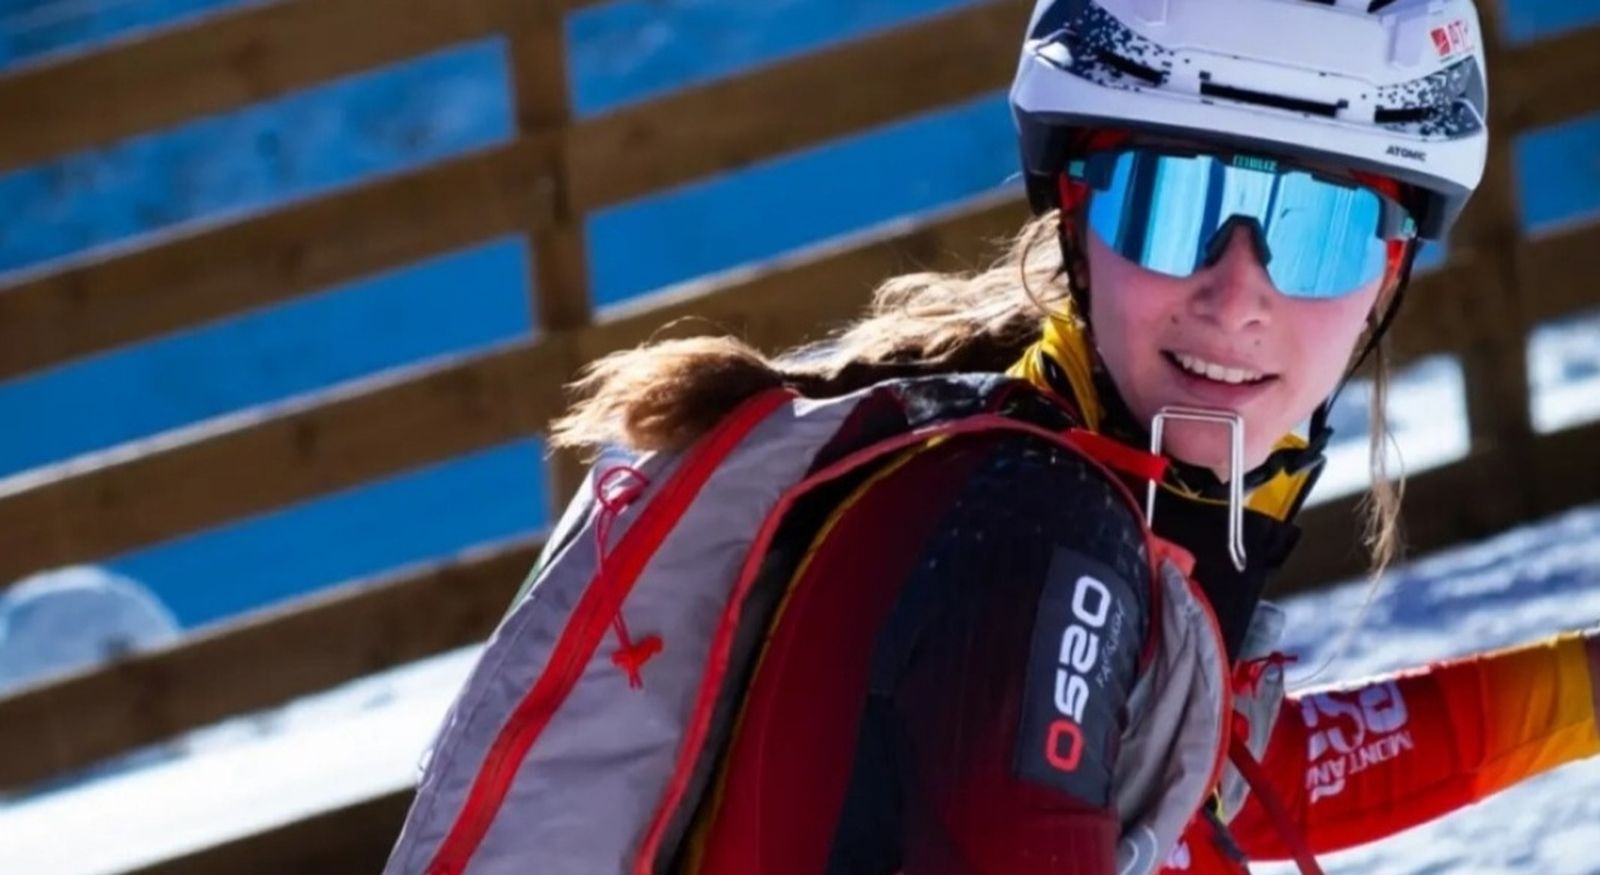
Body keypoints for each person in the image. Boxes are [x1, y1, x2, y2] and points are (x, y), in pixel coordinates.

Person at [388, 1, 1600, 873]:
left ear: (1386, 274)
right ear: (1075, 217)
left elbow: (1218, 778)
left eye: (1322, 231)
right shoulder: (1030, 534)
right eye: (1172, 205)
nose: (1239, 298)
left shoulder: (1041, 484)